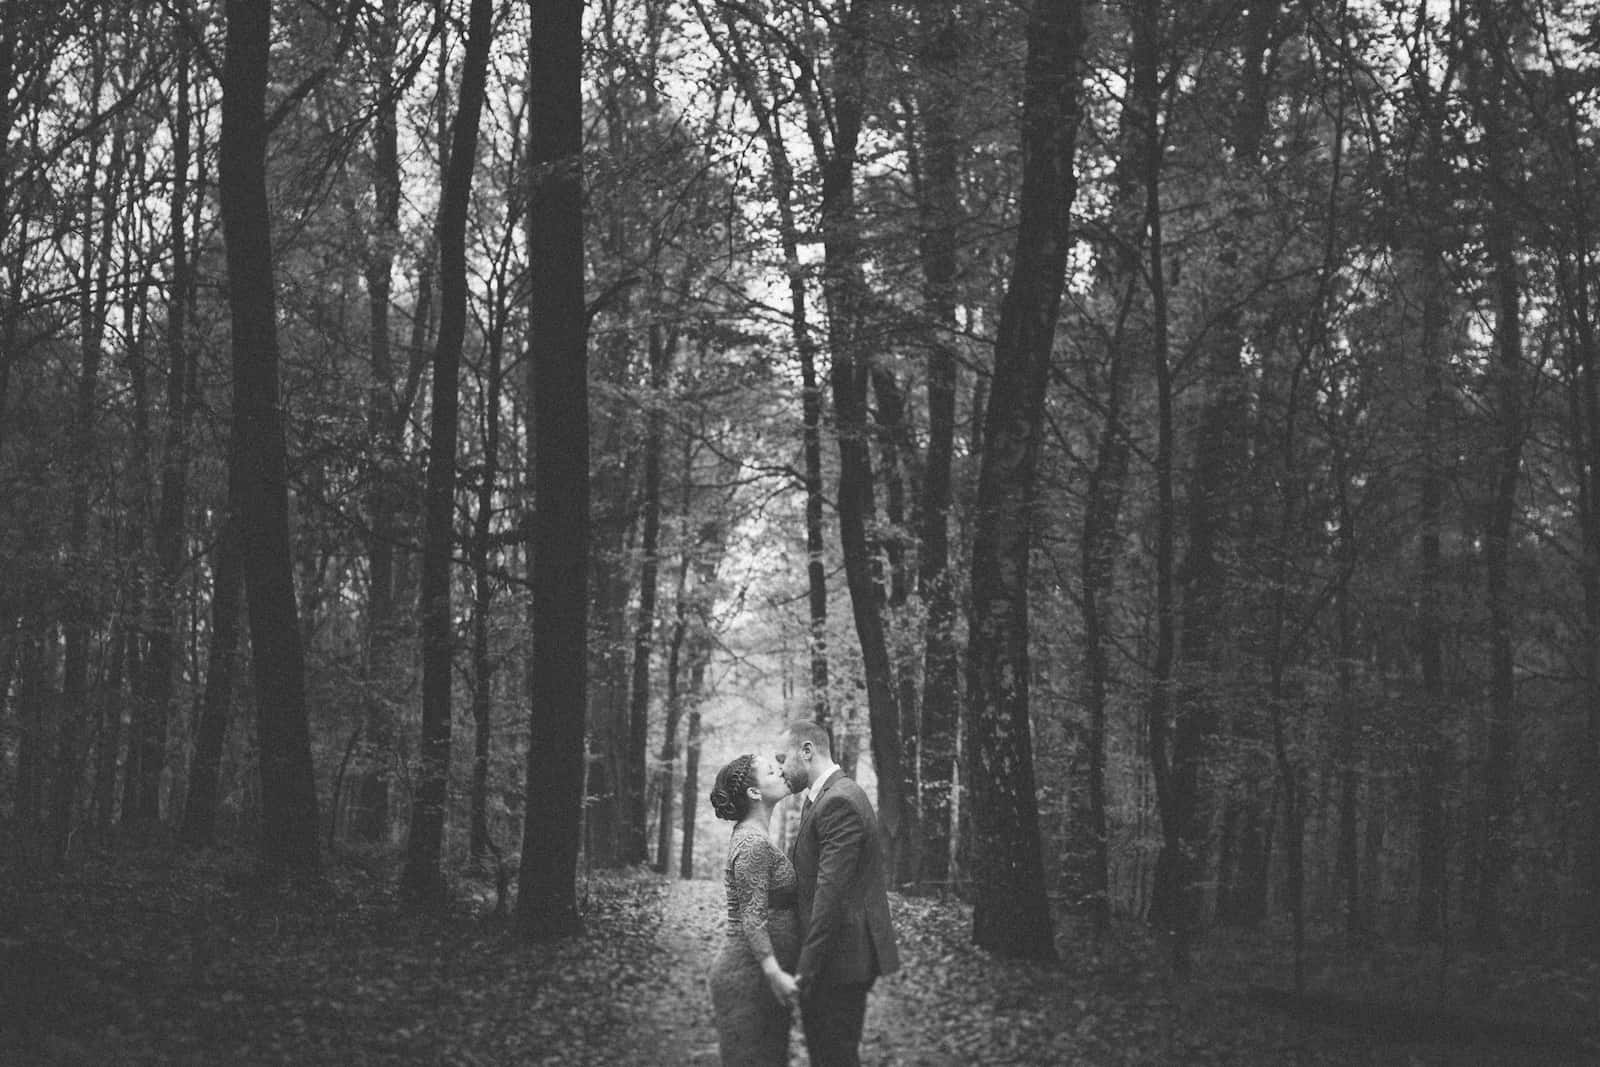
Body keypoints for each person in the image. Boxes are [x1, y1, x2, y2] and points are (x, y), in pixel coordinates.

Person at [777, 720, 900, 1067]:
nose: (780, 768)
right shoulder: (824, 796)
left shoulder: (839, 801)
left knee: (834, 1057)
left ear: (806, 751)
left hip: (838, 960)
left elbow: (828, 897)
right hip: (837, 957)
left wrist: (805, 969)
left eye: (781, 757)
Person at [707, 753, 801, 1067]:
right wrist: (775, 974)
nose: (782, 771)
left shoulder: (756, 837)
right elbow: (753, 916)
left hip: (761, 979)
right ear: (754, 792)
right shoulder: (752, 844)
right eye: (773, 771)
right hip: (748, 979)